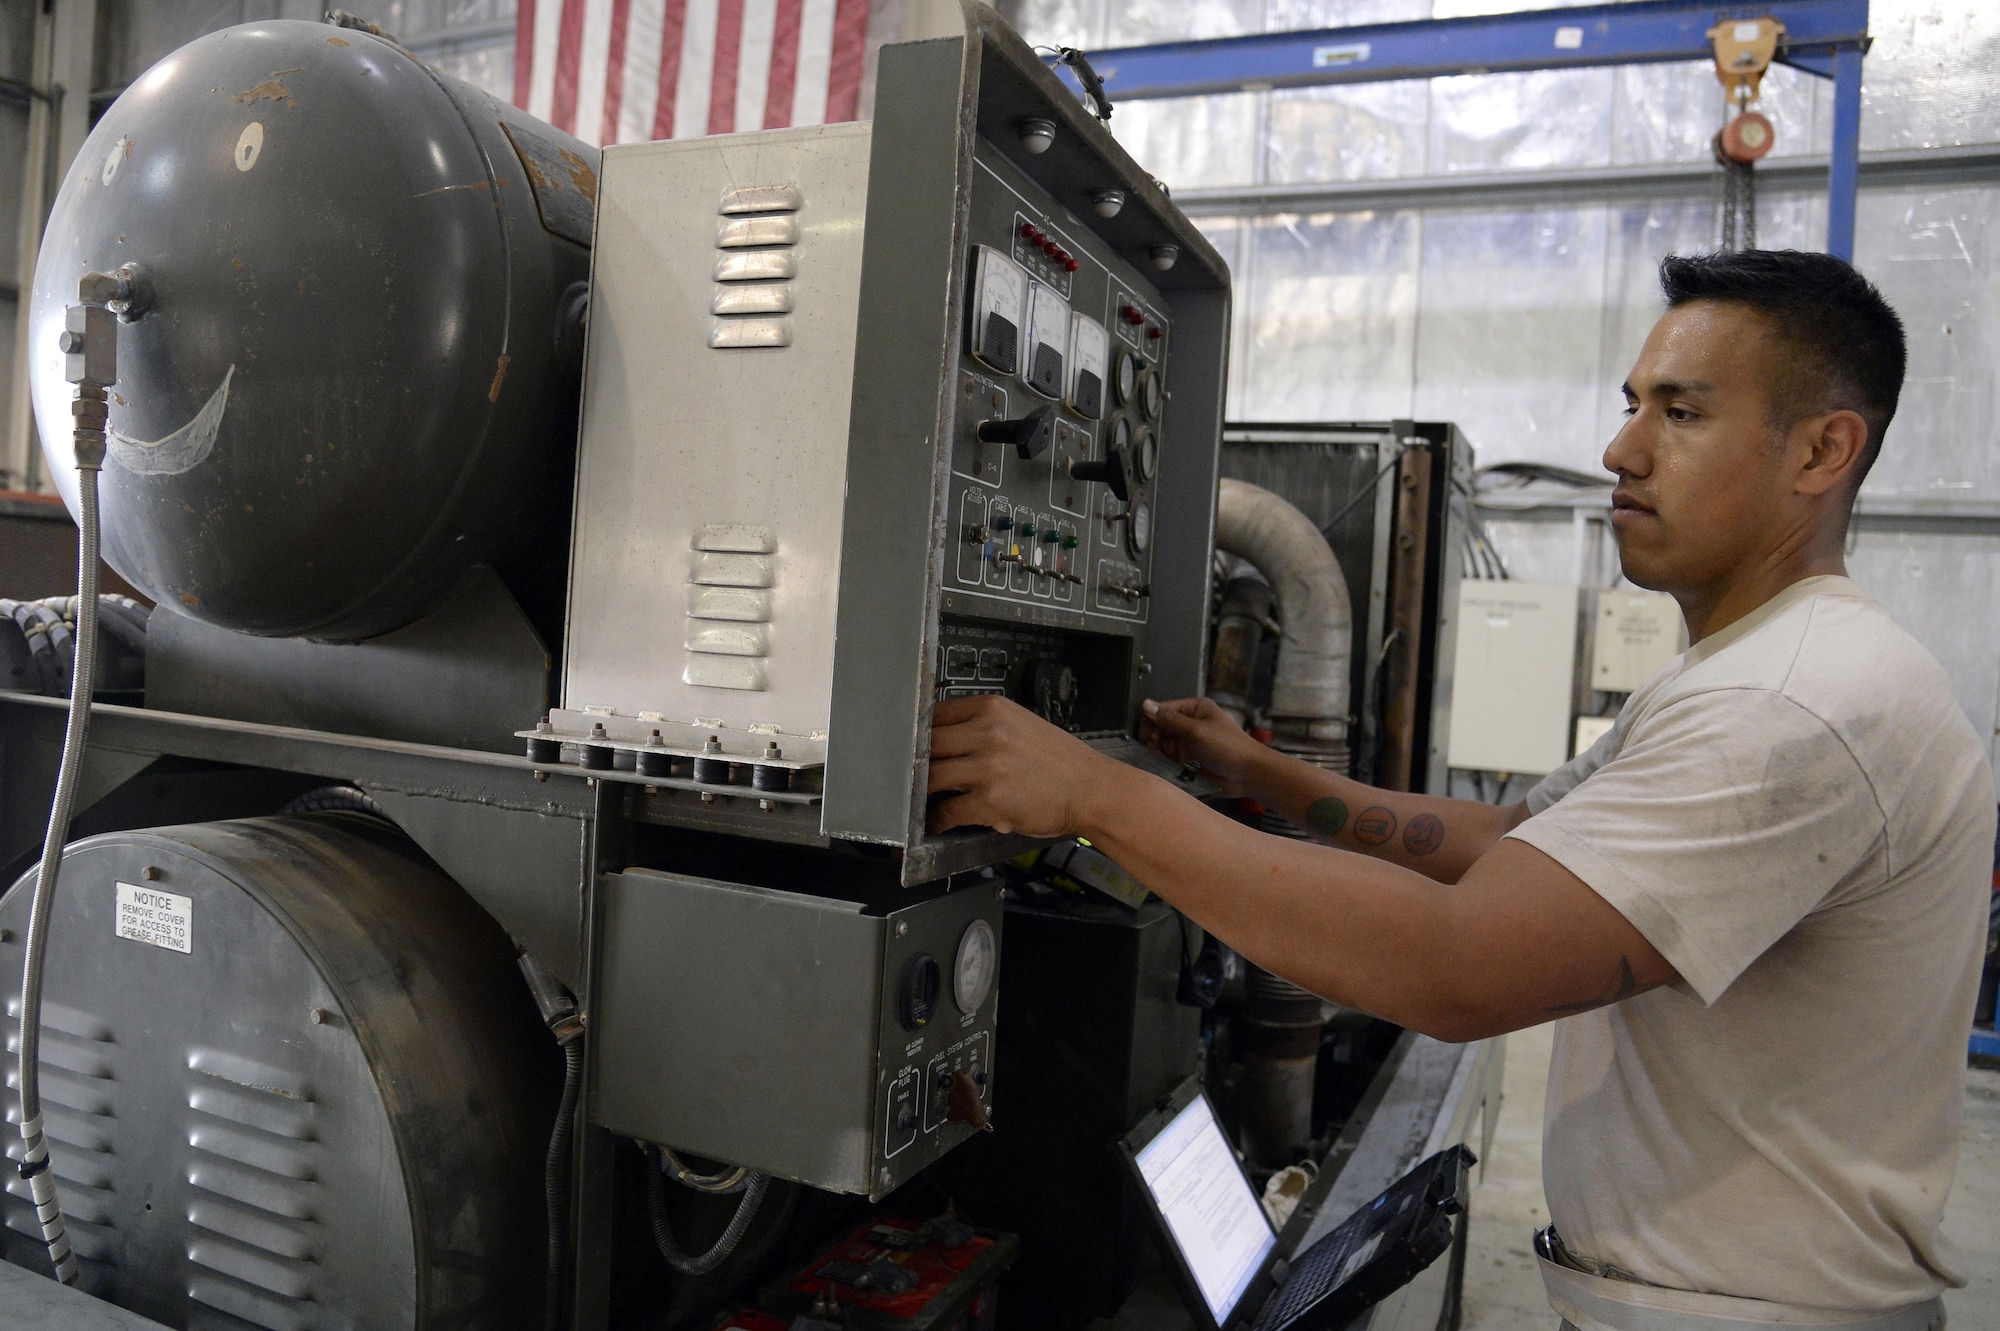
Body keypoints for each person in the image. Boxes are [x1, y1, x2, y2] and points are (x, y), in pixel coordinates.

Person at [927, 250, 1991, 1330]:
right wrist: (1257, 770)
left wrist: (1101, 798)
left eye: (1680, 412)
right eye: (1633, 404)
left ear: (1822, 448)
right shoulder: (1745, 671)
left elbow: (1454, 966)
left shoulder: (1794, 702)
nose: (1620, 449)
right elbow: (1521, 836)